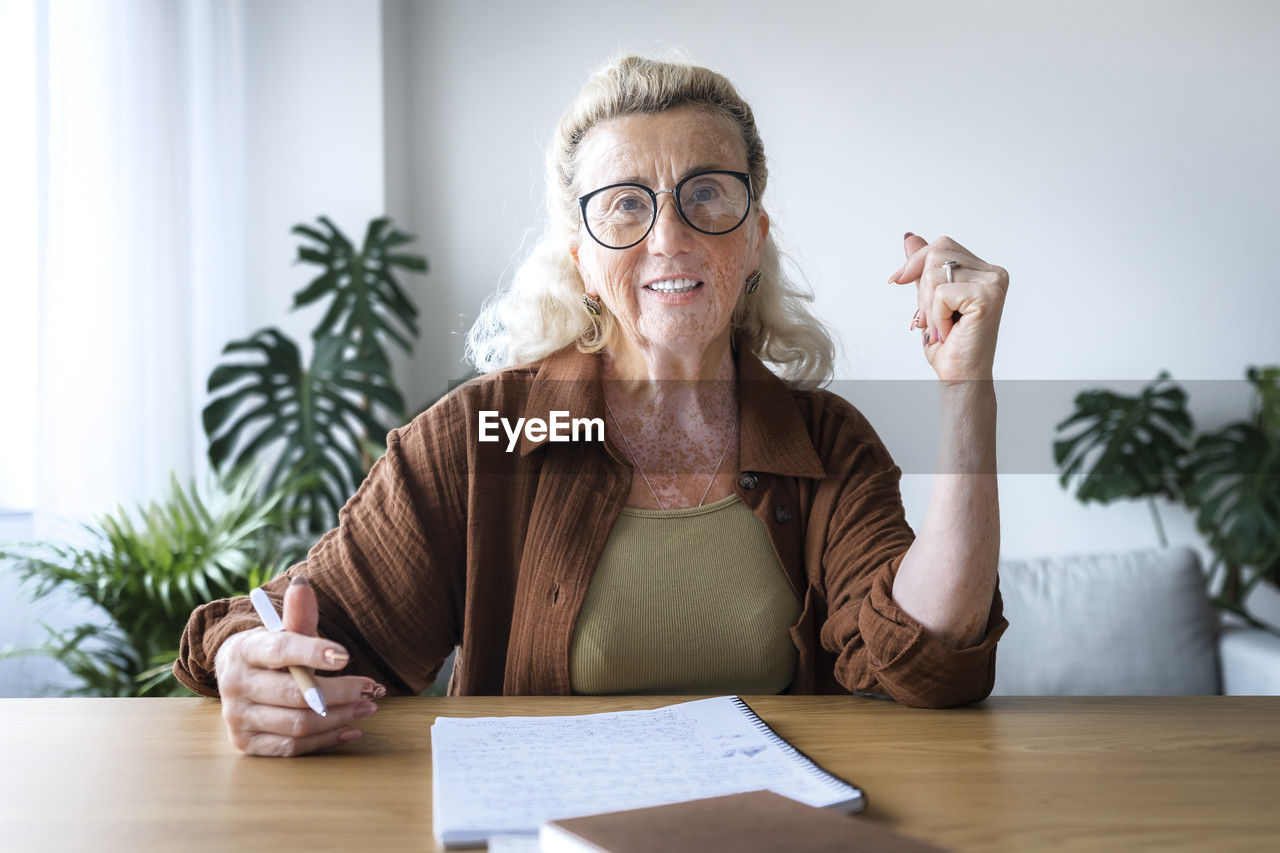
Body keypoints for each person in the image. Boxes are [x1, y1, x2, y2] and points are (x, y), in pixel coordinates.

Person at [175, 55, 1009, 757]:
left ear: (755, 235)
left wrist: (967, 392)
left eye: (707, 195)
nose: (668, 238)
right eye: (625, 205)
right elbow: (308, 624)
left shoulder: (828, 443)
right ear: (580, 256)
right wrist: (251, 660)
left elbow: (925, 650)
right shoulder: (482, 435)